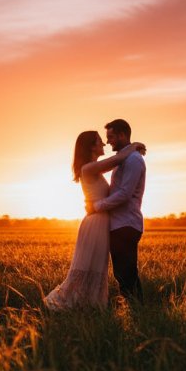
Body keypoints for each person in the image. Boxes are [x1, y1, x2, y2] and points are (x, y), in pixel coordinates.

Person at [44, 131, 145, 310]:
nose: (104, 144)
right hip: (95, 223)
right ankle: (72, 302)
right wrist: (134, 145)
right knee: (87, 266)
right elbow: (118, 159)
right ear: (91, 146)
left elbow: (118, 160)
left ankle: (90, 304)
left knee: (96, 266)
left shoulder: (93, 167)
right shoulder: (88, 168)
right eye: (100, 141)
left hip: (100, 222)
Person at [87, 119, 146, 303]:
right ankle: (137, 309)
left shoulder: (133, 159)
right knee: (125, 273)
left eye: (111, 136)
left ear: (122, 135)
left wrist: (97, 206)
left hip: (126, 224)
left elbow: (124, 194)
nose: (108, 141)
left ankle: (135, 309)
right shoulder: (125, 158)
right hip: (119, 224)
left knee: (125, 273)